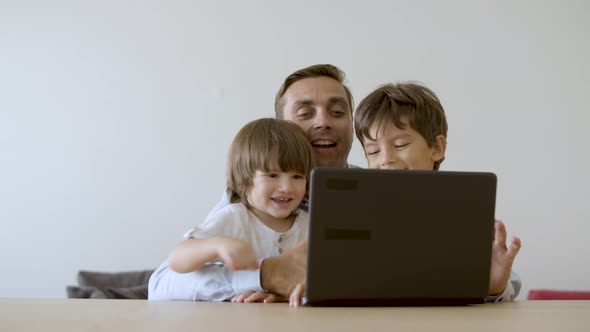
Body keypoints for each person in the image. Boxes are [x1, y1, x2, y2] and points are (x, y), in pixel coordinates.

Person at [149, 64, 521, 305]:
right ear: (281, 127)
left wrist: (495, 286)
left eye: (338, 111)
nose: (323, 122)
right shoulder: (252, 203)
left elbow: (485, 276)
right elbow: (162, 287)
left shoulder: (386, 189)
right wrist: (264, 276)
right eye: (305, 112)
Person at [351, 82, 522, 302]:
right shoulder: (357, 214)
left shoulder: (463, 216)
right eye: (373, 151)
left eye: (401, 145)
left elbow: (507, 284)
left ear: (437, 148)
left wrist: (495, 288)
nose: (385, 159)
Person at [152, 118, 315, 303]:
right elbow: (177, 259)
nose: (286, 187)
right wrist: (218, 244)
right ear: (243, 179)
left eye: (297, 177)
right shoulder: (234, 217)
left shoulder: (310, 224)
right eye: (272, 175)